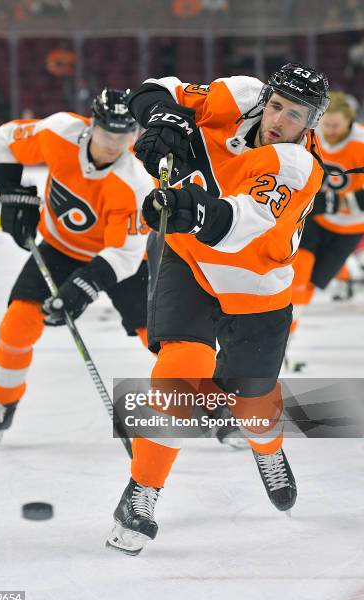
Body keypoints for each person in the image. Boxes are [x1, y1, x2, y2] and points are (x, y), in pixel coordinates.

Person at [106, 63, 329, 555]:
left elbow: (238, 223)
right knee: (182, 370)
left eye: (294, 115)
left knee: (252, 401)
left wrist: (190, 209)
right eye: (276, 106)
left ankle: (268, 448)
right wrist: (164, 118)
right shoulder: (239, 96)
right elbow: (154, 89)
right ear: (265, 99)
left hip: (257, 283)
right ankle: (141, 492)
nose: (277, 120)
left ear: (309, 124)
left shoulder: (297, 166)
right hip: (189, 262)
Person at [0, 88, 154, 449]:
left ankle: (222, 411)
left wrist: (82, 289)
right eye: (108, 132)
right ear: (92, 125)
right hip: (58, 248)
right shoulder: (59, 132)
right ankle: (3, 408)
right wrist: (11, 194)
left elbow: (125, 254)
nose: (115, 143)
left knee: (163, 339)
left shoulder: (136, 181)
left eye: (125, 134)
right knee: (16, 326)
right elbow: (1, 140)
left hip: (118, 262)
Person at [287, 91, 364, 371]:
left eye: (336, 126)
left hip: (349, 229)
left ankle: (289, 335)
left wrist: (332, 201)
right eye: (326, 125)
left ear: (349, 122)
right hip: (314, 222)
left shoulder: (361, 143)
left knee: (310, 287)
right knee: (300, 274)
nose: (330, 131)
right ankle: (283, 337)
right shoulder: (310, 135)